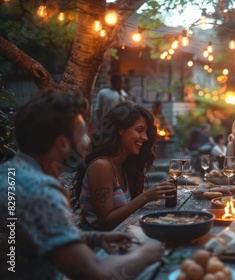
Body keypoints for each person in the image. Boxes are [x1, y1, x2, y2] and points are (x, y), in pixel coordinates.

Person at [0, 89, 163, 279]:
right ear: (62, 143)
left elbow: (32, 237)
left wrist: (94, 238)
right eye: (83, 133)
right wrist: (147, 253)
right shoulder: (40, 192)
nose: (89, 140)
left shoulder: (11, 172)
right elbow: (96, 274)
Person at [73, 102, 176, 230]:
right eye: (139, 130)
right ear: (121, 129)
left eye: (146, 132)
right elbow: (106, 222)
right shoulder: (101, 166)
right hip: (100, 244)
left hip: (122, 236)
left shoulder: (123, 166)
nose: (144, 137)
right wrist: (146, 196)